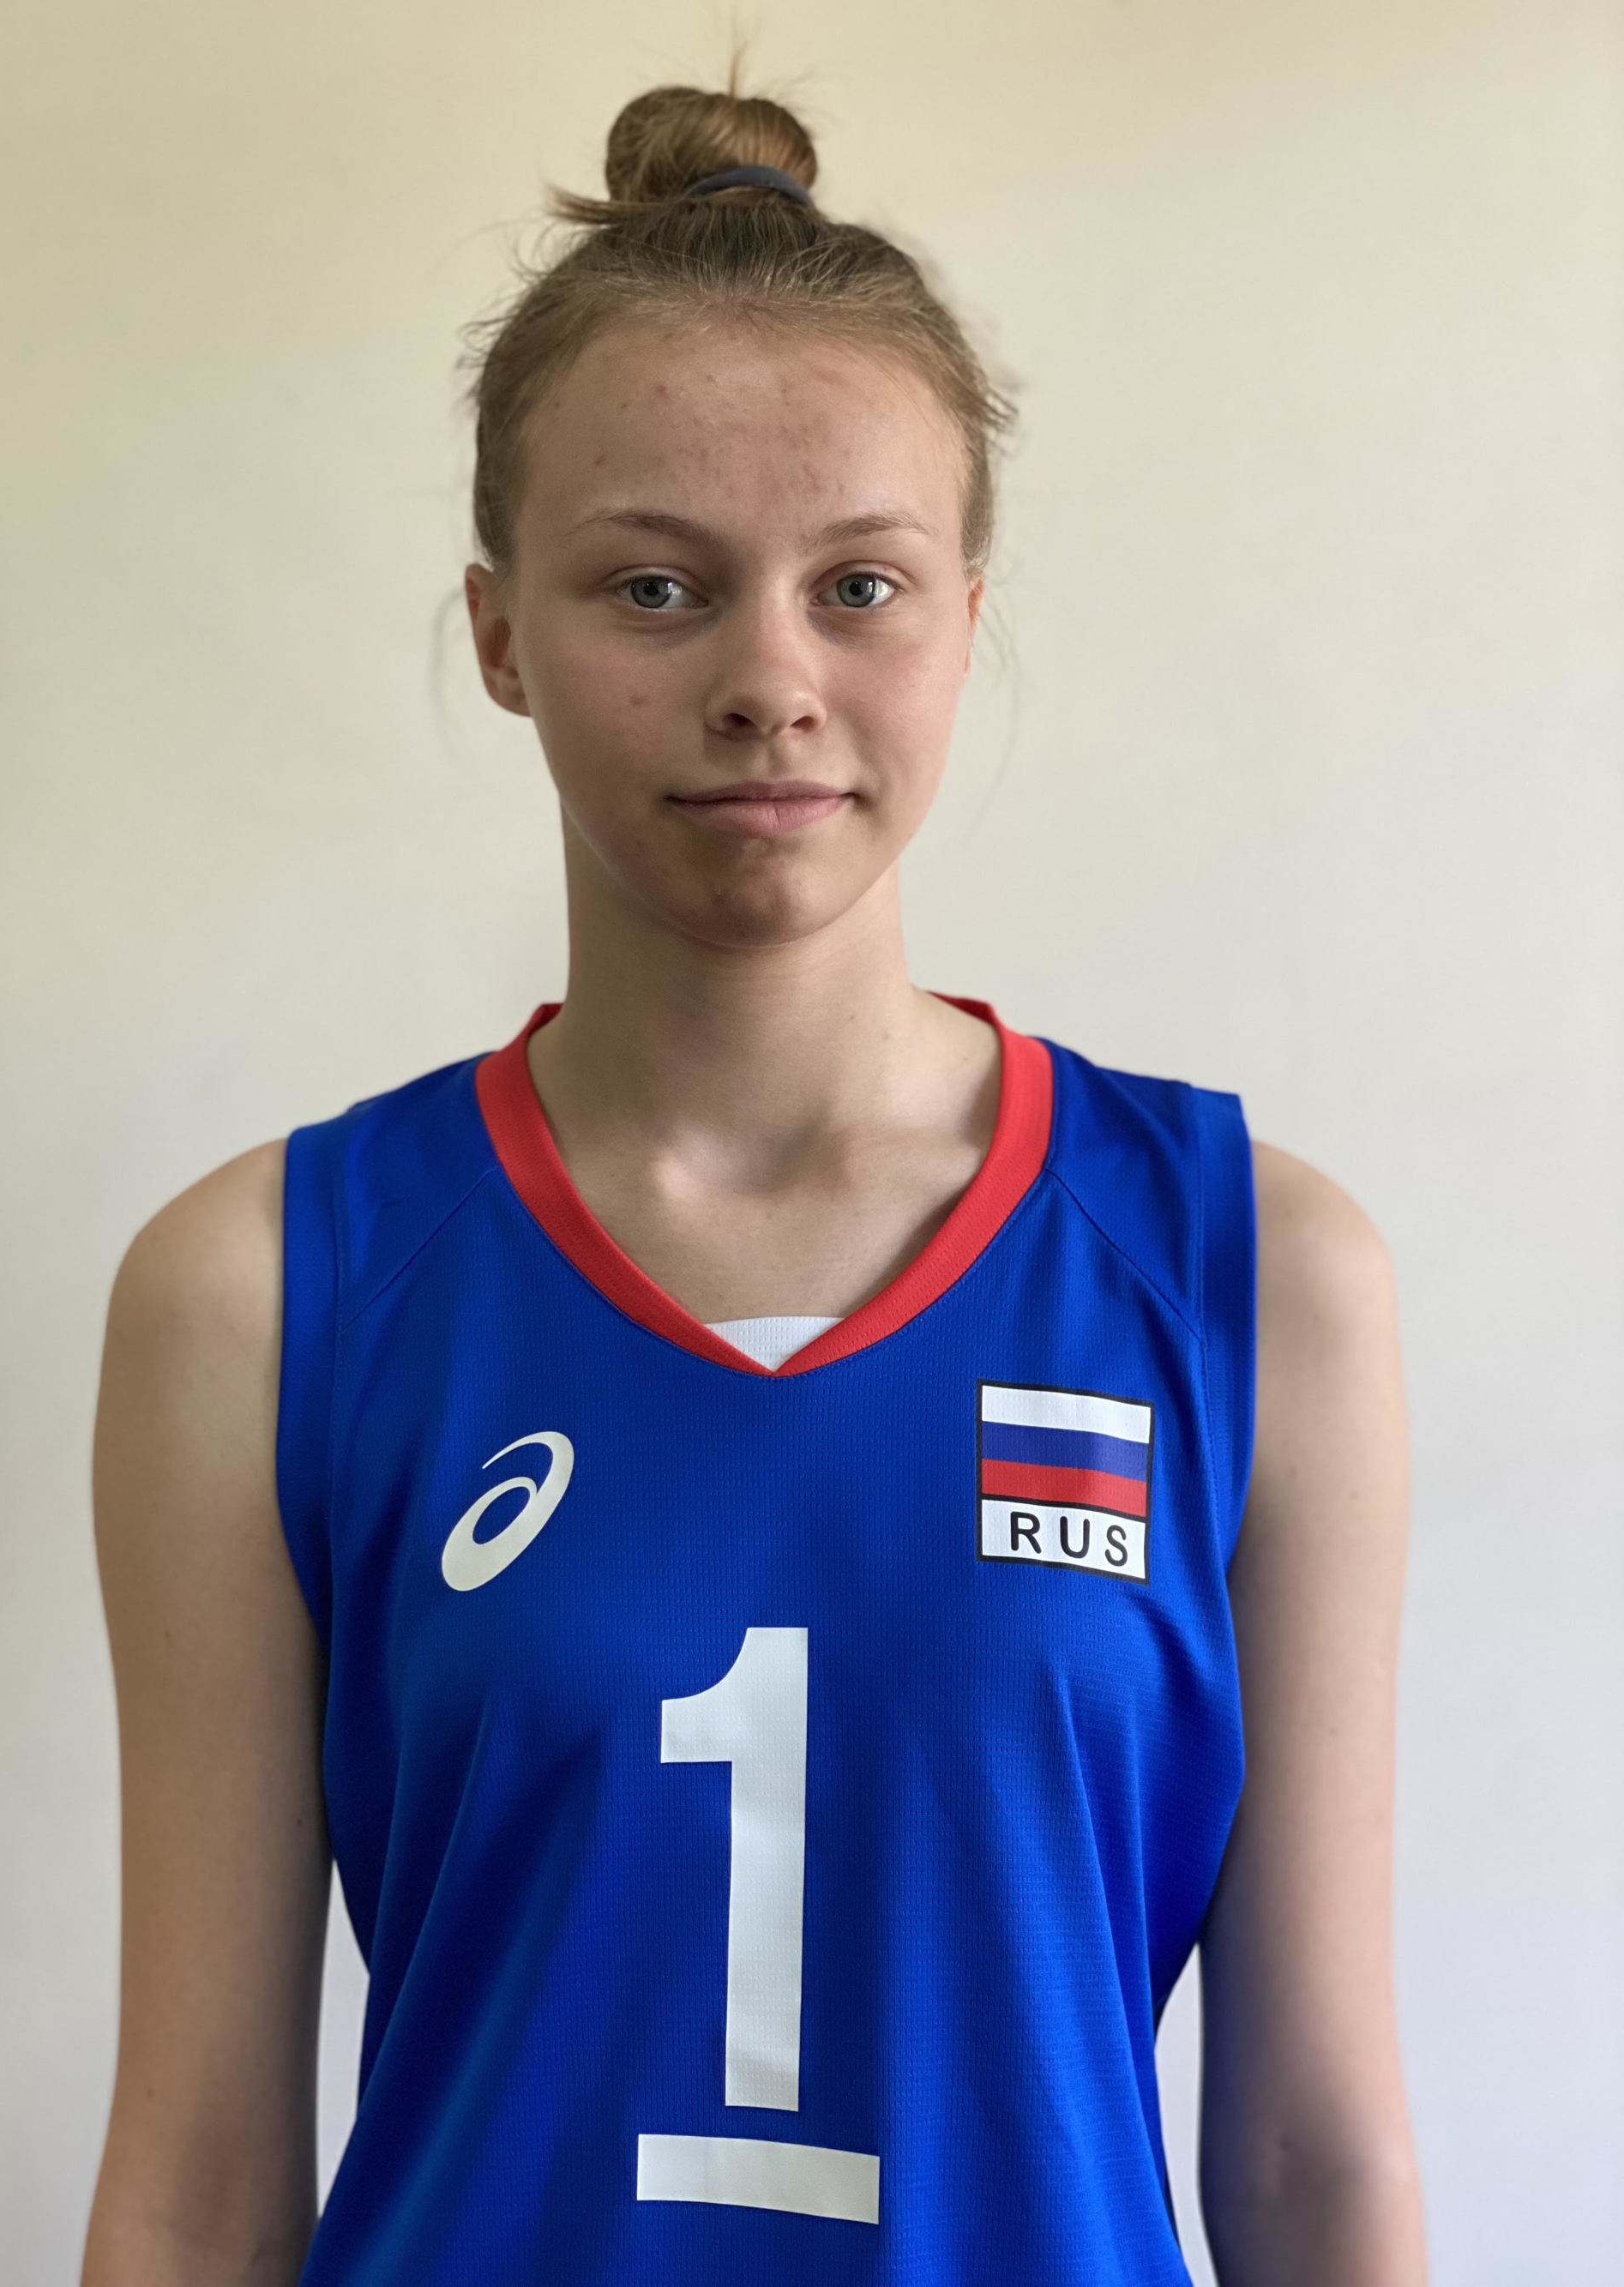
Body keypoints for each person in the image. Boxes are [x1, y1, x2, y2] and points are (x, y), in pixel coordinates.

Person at [81, 81, 1426, 2287]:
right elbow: (199, 2181)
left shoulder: (1252, 1272)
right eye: (655, 586)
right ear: (500, 630)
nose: (768, 684)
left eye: (857, 585)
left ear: (963, 617)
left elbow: (1311, 2157)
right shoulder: (265, 1289)